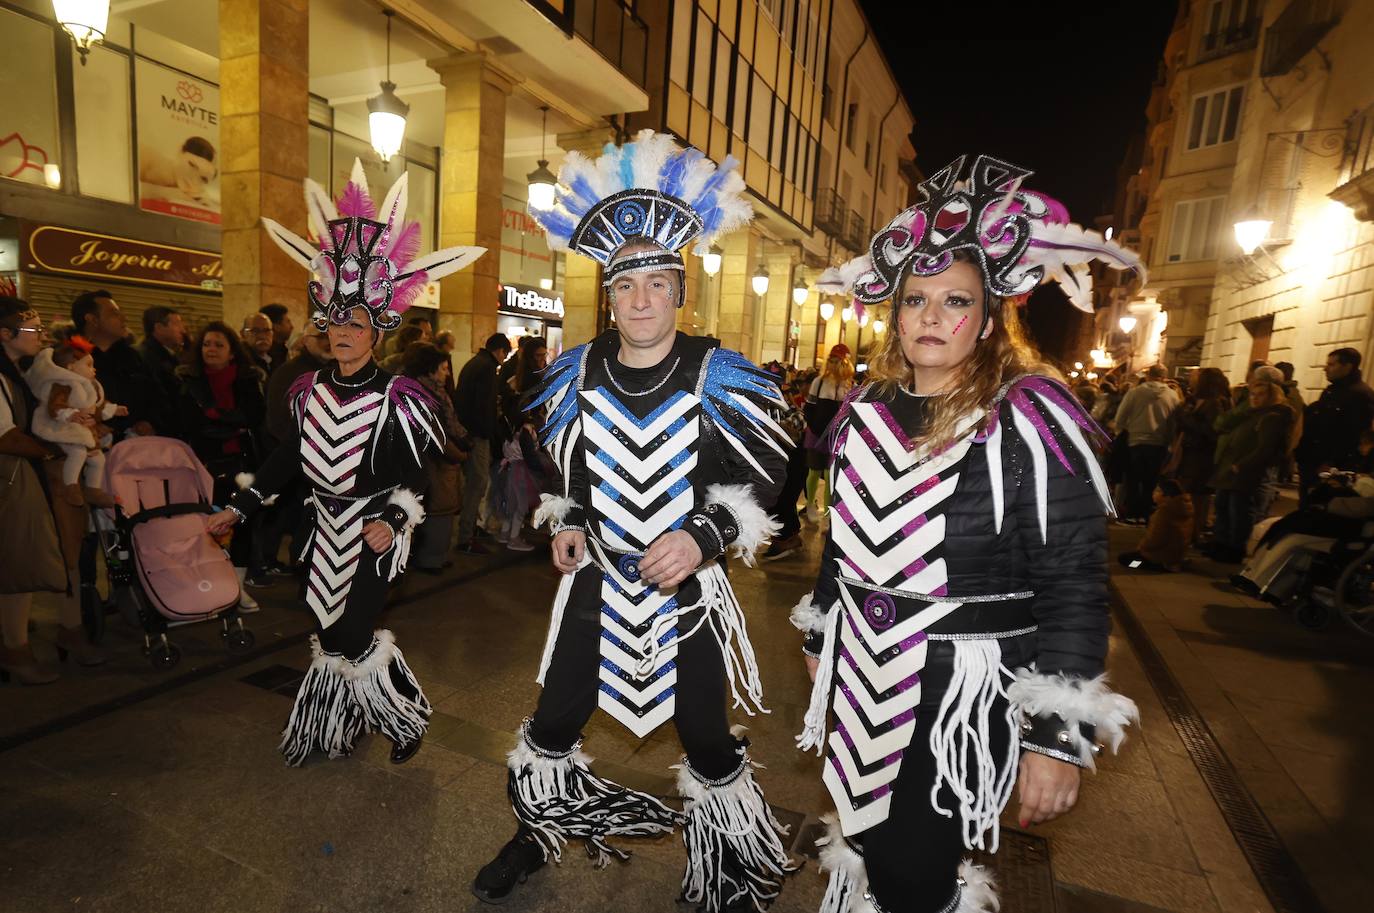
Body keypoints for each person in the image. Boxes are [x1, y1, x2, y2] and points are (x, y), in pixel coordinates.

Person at [795, 155, 1140, 913]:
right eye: (915, 299)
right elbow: (847, 548)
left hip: (961, 690)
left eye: (954, 300)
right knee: (875, 851)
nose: (929, 316)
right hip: (862, 676)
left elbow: (1076, 586)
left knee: (914, 871)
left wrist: (1057, 739)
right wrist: (822, 637)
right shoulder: (867, 411)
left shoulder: (1031, 420)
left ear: (988, 319)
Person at [472, 131, 796, 911]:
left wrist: (702, 536)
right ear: (608, 295)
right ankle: (536, 830)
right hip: (597, 587)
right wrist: (569, 520)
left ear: (679, 291)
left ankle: (731, 854)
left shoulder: (720, 374)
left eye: (658, 282)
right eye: (627, 286)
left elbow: (768, 476)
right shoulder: (573, 373)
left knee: (709, 737)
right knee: (552, 721)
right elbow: (568, 473)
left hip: (687, 600)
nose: (642, 299)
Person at [206, 160, 485, 765]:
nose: (342, 331)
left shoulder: (400, 398)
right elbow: (287, 457)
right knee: (329, 635)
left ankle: (404, 715)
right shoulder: (305, 390)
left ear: (376, 332)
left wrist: (394, 519)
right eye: (335, 320)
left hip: (375, 534)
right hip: (319, 531)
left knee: (353, 632)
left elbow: (416, 478)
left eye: (355, 322)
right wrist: (240, 505)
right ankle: (342, 722)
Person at [0, 298, 92, 685]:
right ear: (5, 335)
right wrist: (53, 448)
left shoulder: (21, 373)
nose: (40, 336)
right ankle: (14, 649)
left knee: (57, 551)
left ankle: (67, 631)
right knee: (21, 562)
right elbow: (5, 436)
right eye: (31, 330)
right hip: (14, 478)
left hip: (31, 475)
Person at [176, 322, 267, 612]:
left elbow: (252, 417)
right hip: (203, 466)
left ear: (231, 352)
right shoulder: (187, 381)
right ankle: (209, 587)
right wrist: (229, 422)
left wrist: (216, 418)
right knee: (204, 527)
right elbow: (189, 423)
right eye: (206, 344)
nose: (210, 350)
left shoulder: (247, 379)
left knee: (242, 524)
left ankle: (237, 589)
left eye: (218, 344)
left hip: (242, 464)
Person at [254, 326, 333, 579]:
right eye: (320, 337)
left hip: (326, 464)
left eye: (330, 335)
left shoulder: (337, 371)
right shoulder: (289, 372)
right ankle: (276, 563)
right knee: (287, 516)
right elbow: (278, 422)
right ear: (305, 340)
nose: (328, 342)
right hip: (296, 463)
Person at [1206, 365, 1295, 564]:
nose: (1255, 398)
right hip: (1231, 467)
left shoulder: (1274, 416)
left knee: (1239, 511)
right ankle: (1221, 543)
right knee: (1223, 505)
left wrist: (1242, 464)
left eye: (1260, 394)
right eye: (1253, 394)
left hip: (1245, 471)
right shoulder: (1254, 413)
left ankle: (1234, 547)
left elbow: (1265, 447)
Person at [24, 338, 124, 508]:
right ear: (71, 366)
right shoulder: (63, 383)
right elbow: (55, 406)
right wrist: (70, 414)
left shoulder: (90, 385)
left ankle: (93, 490)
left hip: (81, 428)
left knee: (98, 459)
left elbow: (97, 406)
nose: (94, 369)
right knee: (77, 452)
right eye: (88, 365)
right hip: (59, 426)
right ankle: (71, 486)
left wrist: (113, 410)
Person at [402, 343, 470, 573]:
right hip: (434, 461)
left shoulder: (427, 390)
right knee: (438, 510)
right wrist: (459, 453)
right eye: (443, 368)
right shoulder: (426, 395)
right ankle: (429, 558)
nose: (447, 373)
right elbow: (436, 433)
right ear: (430, 369)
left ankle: (433, 556)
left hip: (434, 460)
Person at [71, 290, 168, 436]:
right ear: (92, 319)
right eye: (114, 313)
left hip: (134, 449)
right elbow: (57, 405)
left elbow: (159, 399)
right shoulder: (69, 357)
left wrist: (150, 422)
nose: (124, 318)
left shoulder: (134, 357)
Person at [452, 332, 511, 554]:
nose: (504, 359)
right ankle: (466, 537)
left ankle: (471, 530)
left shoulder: (475, 363)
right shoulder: (487, 369)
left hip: (469, 432)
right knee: (477, 483)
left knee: (473, 484)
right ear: (499, 351)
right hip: (477, 435)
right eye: (505, 354)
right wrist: (488, 433)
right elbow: (483, 406)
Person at [1296, 348, 1374, 504]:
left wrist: (1331, 463)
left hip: (1330, 467)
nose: (1325, 368)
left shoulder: (1360, 395)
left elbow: (1352, 435)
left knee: (1319, 507)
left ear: (1348, 366)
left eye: (1331, 364)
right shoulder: (1332, 391)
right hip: (1312, 461)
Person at [1113, 364, 1179, 524]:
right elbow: (1174, 422)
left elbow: (1121, 416)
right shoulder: (1172, 396)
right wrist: (1170, 441)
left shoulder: (1135, 392)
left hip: (1136, 441)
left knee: (1133, 479)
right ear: (1164, 377)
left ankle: (1132, 514)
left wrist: (1121, 431)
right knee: (1151, 480)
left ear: (1149, 375)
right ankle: (1146, 513)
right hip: (1159, 443)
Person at [1174, 367, 1231, 548]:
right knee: (1191, 494)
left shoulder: (1214, 404)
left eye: (1196, 377)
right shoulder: (1199, 401)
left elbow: (1211, 431)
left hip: (1202, 457)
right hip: (1192, 454)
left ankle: (1193, 534)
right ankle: (1188, 533)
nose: (1192, 379)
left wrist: (1185, 420)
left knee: (1198, 497)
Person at [803, 344, 855, 520]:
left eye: (837, 361)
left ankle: (827, 513)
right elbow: (808, 408)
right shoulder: (819, 382)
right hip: (816, 434)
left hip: (836, 437)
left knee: (830, 475)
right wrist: (816, 429)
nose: (833, 364)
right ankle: (810, 505)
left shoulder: (848, 386)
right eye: (831, 360)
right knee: (814, 471)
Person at [137, 305, 186, 419]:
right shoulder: (147, 357)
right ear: (159, 328)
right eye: (177, 324)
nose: (183, 330)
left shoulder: (168, 355)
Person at [241, 312, 277, 378]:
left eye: (267, 331)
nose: (262, 336)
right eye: (255, 331)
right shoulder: (242, 363)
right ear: (243, 334)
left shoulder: (277, 358)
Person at [259, 303, 294, 368]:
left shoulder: (283, 349)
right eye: (288, 322)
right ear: (276, 327)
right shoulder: (264, 353)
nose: (292, 326)